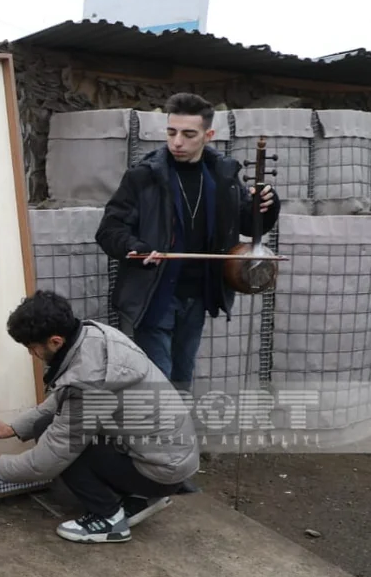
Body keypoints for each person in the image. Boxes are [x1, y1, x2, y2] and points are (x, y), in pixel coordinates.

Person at [0, 290, 200, 544]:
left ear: (55, 341)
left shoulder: (90, 381)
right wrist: (14, 428)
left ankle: (109, 518)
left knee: (59, 444)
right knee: (48, 427)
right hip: (170, 458)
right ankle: (142, 498)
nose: (31, 354)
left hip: (160, 470)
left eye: (32, 348)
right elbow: (65, 396)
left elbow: (50, 458)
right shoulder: (93, 337)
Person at [94, 92, 281, 390]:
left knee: (182, 376)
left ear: (208, 135)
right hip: (153, 293)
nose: (177, 142)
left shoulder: (223, 175)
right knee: (158, 382)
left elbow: (247, 225)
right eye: (171, 132)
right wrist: (137, 248)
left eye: (188, 134)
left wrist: (268, 206)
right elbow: (109, 229)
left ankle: (177, 421)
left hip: (197, 295)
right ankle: (162, 421)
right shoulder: (144, 176)